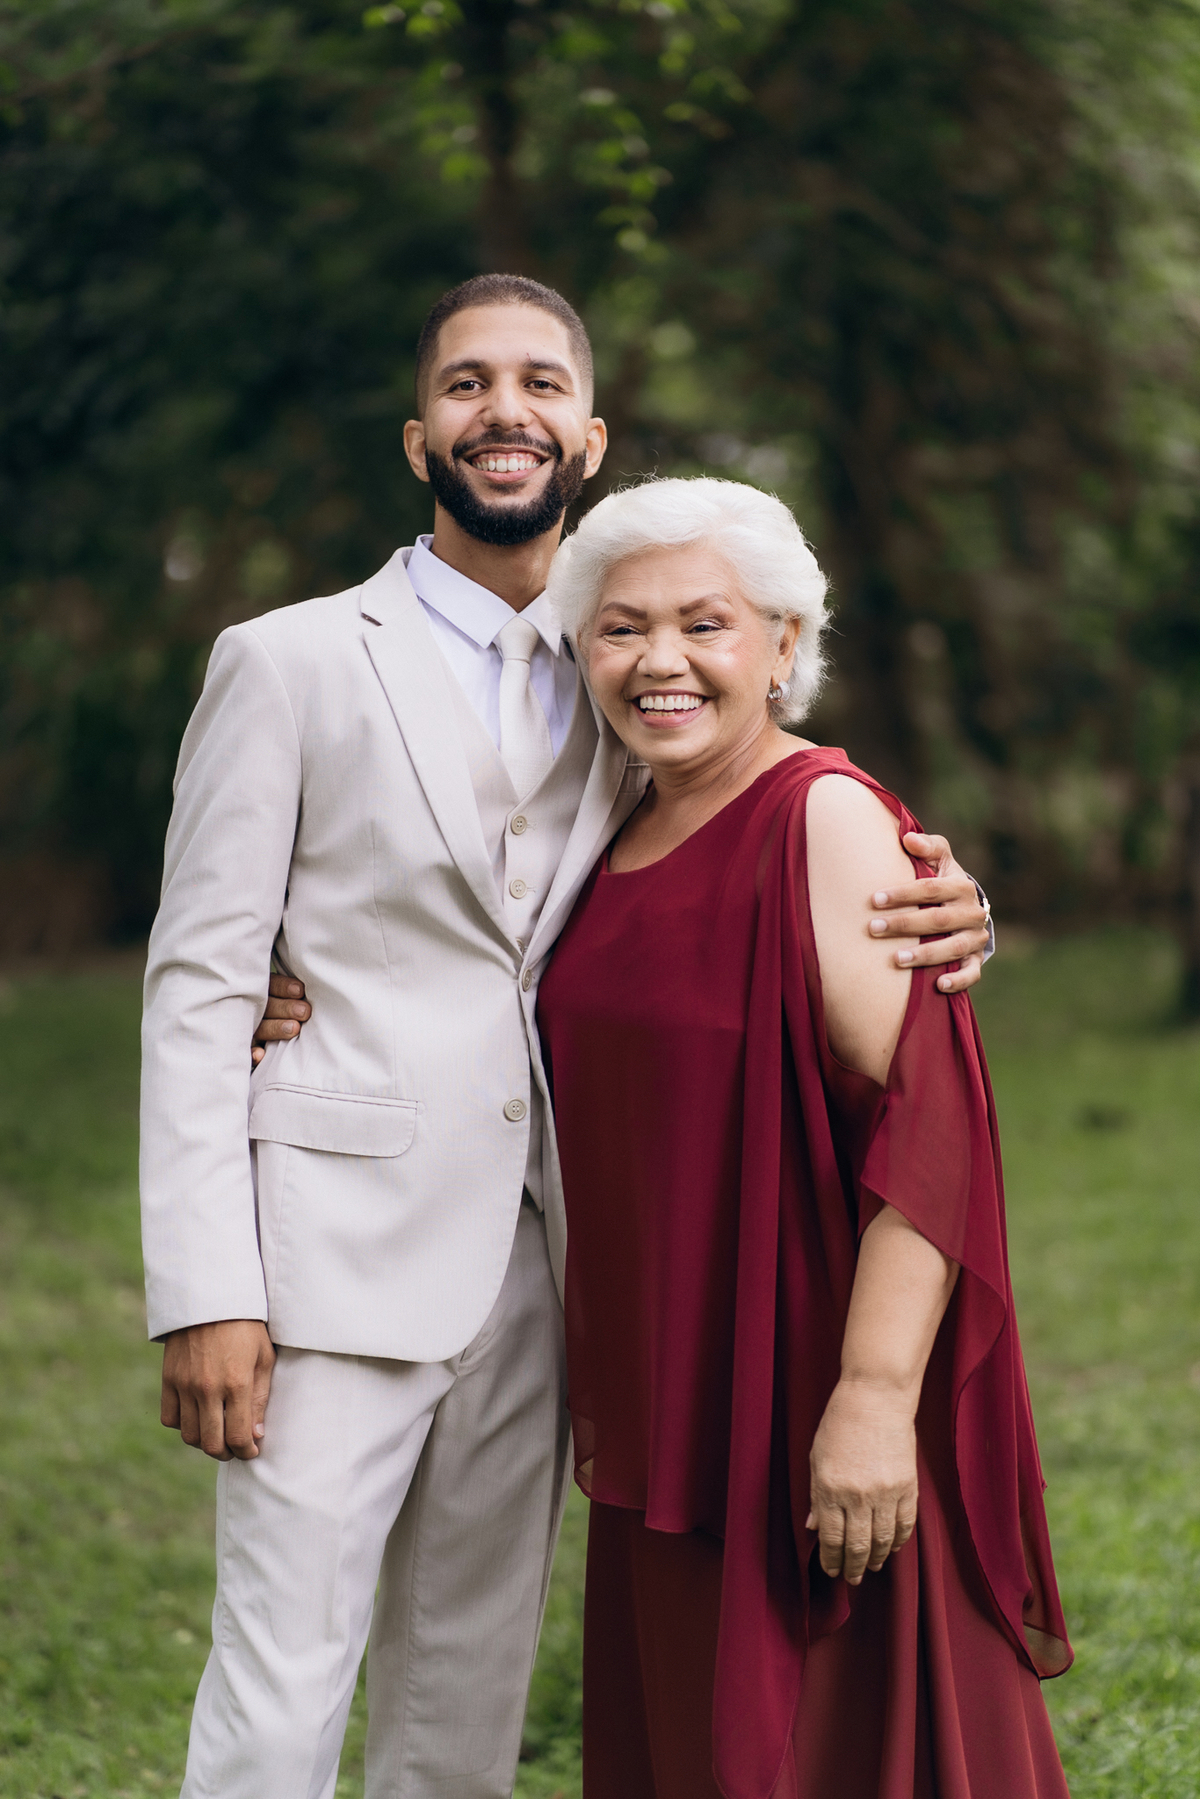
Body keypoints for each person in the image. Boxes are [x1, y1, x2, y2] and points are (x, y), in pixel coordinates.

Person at [140, 275, 992, 1799]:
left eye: (539, 382)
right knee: (279, 1699)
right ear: (421, 437)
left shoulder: (629, 684)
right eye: (467, 385)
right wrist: (205, 1289)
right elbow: (201, 985)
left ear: (587, 434)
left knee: (461, 1708)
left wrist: (947, 907)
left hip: (552, 1280)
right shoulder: (292, 661)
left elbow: (755, 846)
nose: (503, 410)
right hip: (326, 1260)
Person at [534, 477, 1072, 1799]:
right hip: (676, 1392)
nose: (660, 659)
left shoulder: (823, 819)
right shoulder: (605, 827)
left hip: (807, 1383)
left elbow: (928, 1134)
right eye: (621, 628)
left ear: (783, 643)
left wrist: (875, 1403)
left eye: (703, 624)